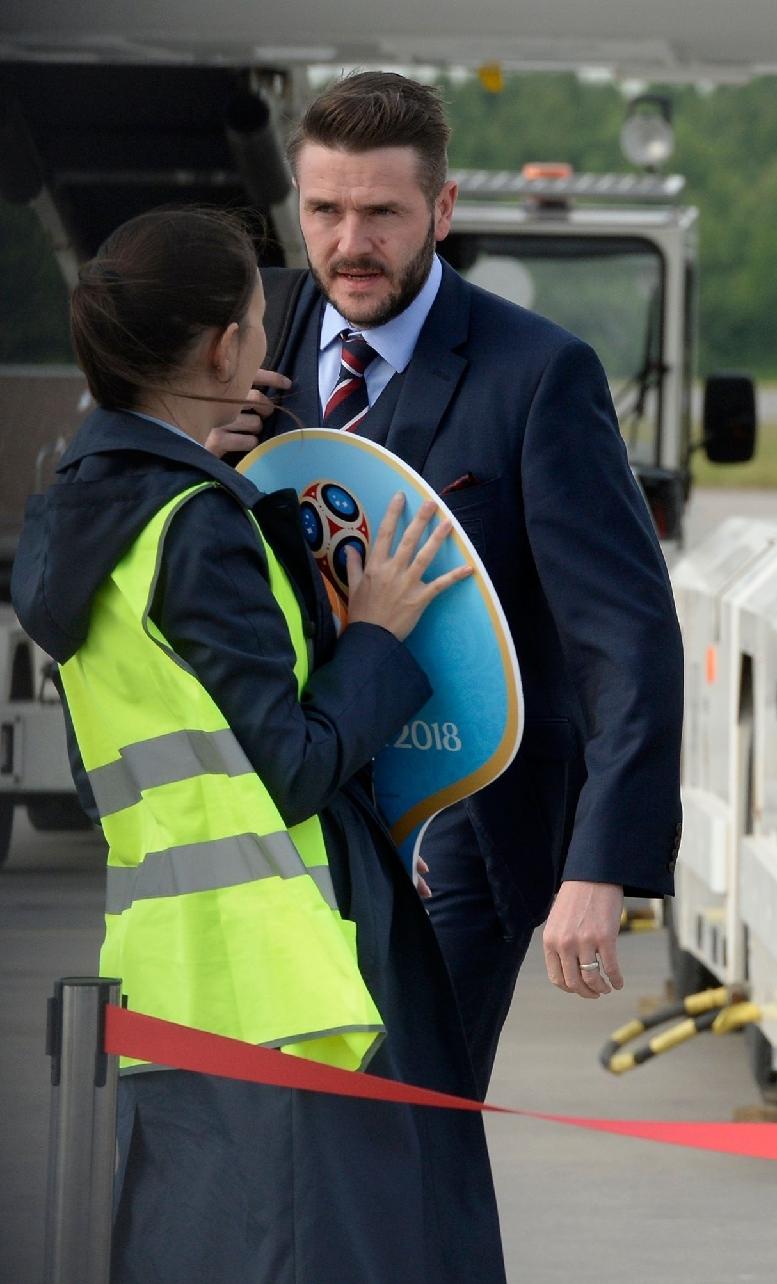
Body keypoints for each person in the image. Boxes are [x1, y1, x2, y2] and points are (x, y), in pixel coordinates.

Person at [12, 207, 506, 1281]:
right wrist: (372, 633)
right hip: (299, 994)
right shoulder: (196, 527)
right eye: (253, 320)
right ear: (226, 349)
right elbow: (289, 764)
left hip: (176, 986)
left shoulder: (83, 520)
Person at [208, 71, 684, 1093]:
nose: (349, 242)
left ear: (443, 208)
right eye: (325, 210)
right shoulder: (246, 338)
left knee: (412, 1130)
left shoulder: (537, 374)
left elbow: (626, 636)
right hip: (283, 805)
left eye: (382, 213)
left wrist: (599, 863)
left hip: (458, 817)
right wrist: (199, 449)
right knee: (303, 1146)